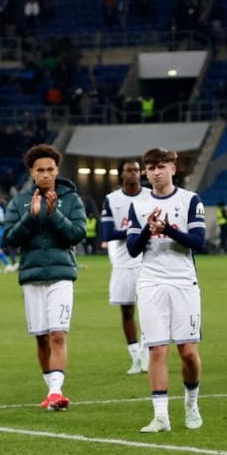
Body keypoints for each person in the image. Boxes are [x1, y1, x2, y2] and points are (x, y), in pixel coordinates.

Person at [125, 148, 205, 433]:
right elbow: (133, 249)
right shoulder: (138, 205)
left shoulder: (189, 200)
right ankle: (161, 416)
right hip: (151, 282)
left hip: (183, 281)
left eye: (161, 166)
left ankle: (191, 403)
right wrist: (148, 230)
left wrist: (168, 229)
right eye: (150, 167)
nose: (155, 172)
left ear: (173, 168)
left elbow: (200, 243)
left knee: (187, 352)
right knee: (157, 350)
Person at [2, 144, 87, 410]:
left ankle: (55, 391)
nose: (46, 174)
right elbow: (9, 238)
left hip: (61, 275)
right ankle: (51, 390)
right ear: (32, 172)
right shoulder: (19, 202)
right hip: (31, 277)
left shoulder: (72, 200)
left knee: (58, 334)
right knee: (41, 336)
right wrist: (31, 217)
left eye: (50, 169)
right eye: (41, 170)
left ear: (57, 170)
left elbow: (77, 234)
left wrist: (54, 214)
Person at [101, 158, 151, 374]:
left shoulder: (150, 196)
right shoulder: (112, 199)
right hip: (122, 262)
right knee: (127, 310)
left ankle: (146, 354)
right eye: (129, 170)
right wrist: (137, 230)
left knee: (149, 309)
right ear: (121, 174)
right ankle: (135, 358)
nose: (133, 174)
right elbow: (107, 233)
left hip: (147, 260)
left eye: (137, 170)